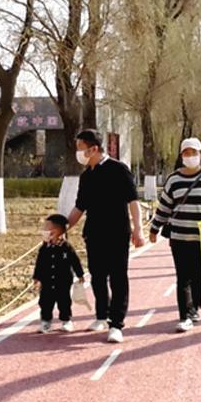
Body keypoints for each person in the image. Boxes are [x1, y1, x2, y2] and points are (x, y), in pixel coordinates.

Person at [67, 129, 145, 344]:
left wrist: (138, 229)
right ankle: (102, 315)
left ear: (93, 148)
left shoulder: (119, 170)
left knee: (118, 278)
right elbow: (79, 207)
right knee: (98, 276)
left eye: (81, 148)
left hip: (117, 233)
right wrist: (63, 228)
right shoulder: (86, 176)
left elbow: (133, 201)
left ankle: (116, 324)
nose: (78, 153)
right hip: (94, 234)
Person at [149, 138, 201, 333]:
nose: (190, 156)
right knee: (183, 277)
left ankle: (195, 308)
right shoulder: (174, 180)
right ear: (181, 155)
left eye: (194, 153)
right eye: (186, 153)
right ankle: (185, 315)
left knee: (197, 275)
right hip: (179, 238)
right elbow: (164, 207)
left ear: (200, 154)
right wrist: (154, 228)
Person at [32, 214, 85, 334]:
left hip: (63, 281)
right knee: (45, 301)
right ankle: (46, 321)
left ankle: (66, 321)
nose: (44, 230)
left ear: (56, 230)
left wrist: (80, 274)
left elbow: (75, 261)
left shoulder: (67, 247)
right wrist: (37, 277)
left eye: (47, 227)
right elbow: (39, 263)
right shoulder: (44, 248)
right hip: (47, 280)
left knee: (64, 301)